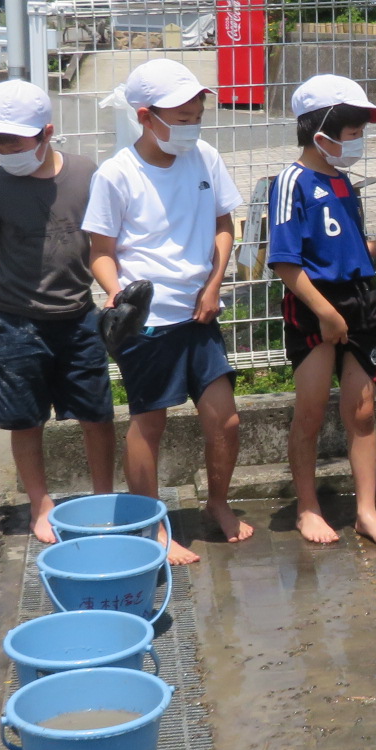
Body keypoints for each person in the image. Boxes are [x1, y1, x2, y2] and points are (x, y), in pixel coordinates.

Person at [84, 58, 249, 558]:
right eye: (180, 117)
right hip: (148, 320)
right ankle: (152, 529)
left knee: (226, 421)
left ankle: (217, 504)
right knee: (148, 423)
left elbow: (225, 224)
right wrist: (117, 295)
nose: (191, 125)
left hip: (200, 314)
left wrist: (214, 284)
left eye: (196, 114)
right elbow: (100, 252)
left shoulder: (206, 158)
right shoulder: (116, 174)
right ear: (145, 116)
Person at [0, 79, 118, 544]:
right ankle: (40, 502)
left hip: (77, 318)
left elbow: (105, 244)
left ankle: (104, 498)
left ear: (46, 132)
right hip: (13, 320)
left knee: (97, 415)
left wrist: (114, 290)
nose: (1, 148)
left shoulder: (87, 173)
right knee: (25, 419)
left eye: (11, 140)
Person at [268, 74, 376, 548]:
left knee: (363, 410)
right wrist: (325, 313)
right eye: (353, 136)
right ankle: (307, 507)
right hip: (313, 306)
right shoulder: (291, 182)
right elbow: (285, 262)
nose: (359, 144)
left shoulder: (344, 181)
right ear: (321, 135)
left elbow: (345, 245)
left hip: (361, 301)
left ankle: (366, 511)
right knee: (308, 412)